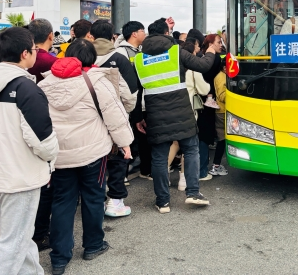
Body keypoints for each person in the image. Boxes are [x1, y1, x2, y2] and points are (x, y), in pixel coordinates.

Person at [38, 39, 134, 275]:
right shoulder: (96, 82)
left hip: (58, 155)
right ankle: (93, 245)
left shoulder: (44, 83)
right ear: (92, 59)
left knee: (62, 202)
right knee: (93, 197)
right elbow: (116, 116)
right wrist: (125, 144)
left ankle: (59, 258)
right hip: (93, 152)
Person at [0, 27, 59, 275]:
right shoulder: (26, 88)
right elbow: (43, 140)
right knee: (14, 242)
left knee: (20, 237)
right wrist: (51, 157)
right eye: (33, 49)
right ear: (24, 54)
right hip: (21, 178)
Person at [135, 19, 220, 213]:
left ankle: (163, 201)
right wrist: (210, 52)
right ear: (166, 34)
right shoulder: (176, 52)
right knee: (190, 149)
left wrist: (139, 117)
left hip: (155, 114)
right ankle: (193, 193)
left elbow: (137, 92)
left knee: (158, 157)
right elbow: (203, 66)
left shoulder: (139, 59)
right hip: (181, 110)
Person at [91, 20, 138, 218]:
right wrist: (125, 112)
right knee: (118, 159)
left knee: (94, 161)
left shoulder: (80, 55)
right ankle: (116, 201)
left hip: (89, 119)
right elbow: (132, 91)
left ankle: (96, 201)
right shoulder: (119, 58)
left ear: (91, 36)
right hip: (115, 115)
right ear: (113, 37)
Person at [26, 18, 59, 251]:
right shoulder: (51, 61)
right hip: (47, 123)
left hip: (22, 123)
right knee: (47, 183)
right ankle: (40, 233)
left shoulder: (21, 59)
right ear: (50, 36)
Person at [114, 21, 152, 180]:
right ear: (134, 34)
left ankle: (144, 169)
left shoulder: (139, 51)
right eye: (143, 31)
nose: (145, 34)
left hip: (140, 103)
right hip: (126, 103)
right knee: (125, 138)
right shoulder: (121, 53)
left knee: (142, 137)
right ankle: (121, 175)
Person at [183, 40, 211, 184]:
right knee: (190, 146)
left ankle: (176, 177)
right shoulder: (194, 70)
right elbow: (204, 90)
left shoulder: (175, 66)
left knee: (175, 144)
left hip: (174, 107)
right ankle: (191, 180)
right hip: (190, 110)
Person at [198, 34, 223, 181]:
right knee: (204, 136)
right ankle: (202, 171)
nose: (221, 45)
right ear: (210, 44)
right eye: (218, 42)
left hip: (202, 101)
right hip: (207, 102)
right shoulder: (213, 60)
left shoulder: (201, 58)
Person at [209, 60, 228, 176]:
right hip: (222, 112)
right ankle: (216, 165)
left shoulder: (222, 76)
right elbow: (222, 96)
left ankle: (216, 164)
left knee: (222, 140)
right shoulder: (221, 78)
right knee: (222, 140)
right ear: (224, 67)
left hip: (221, 111)